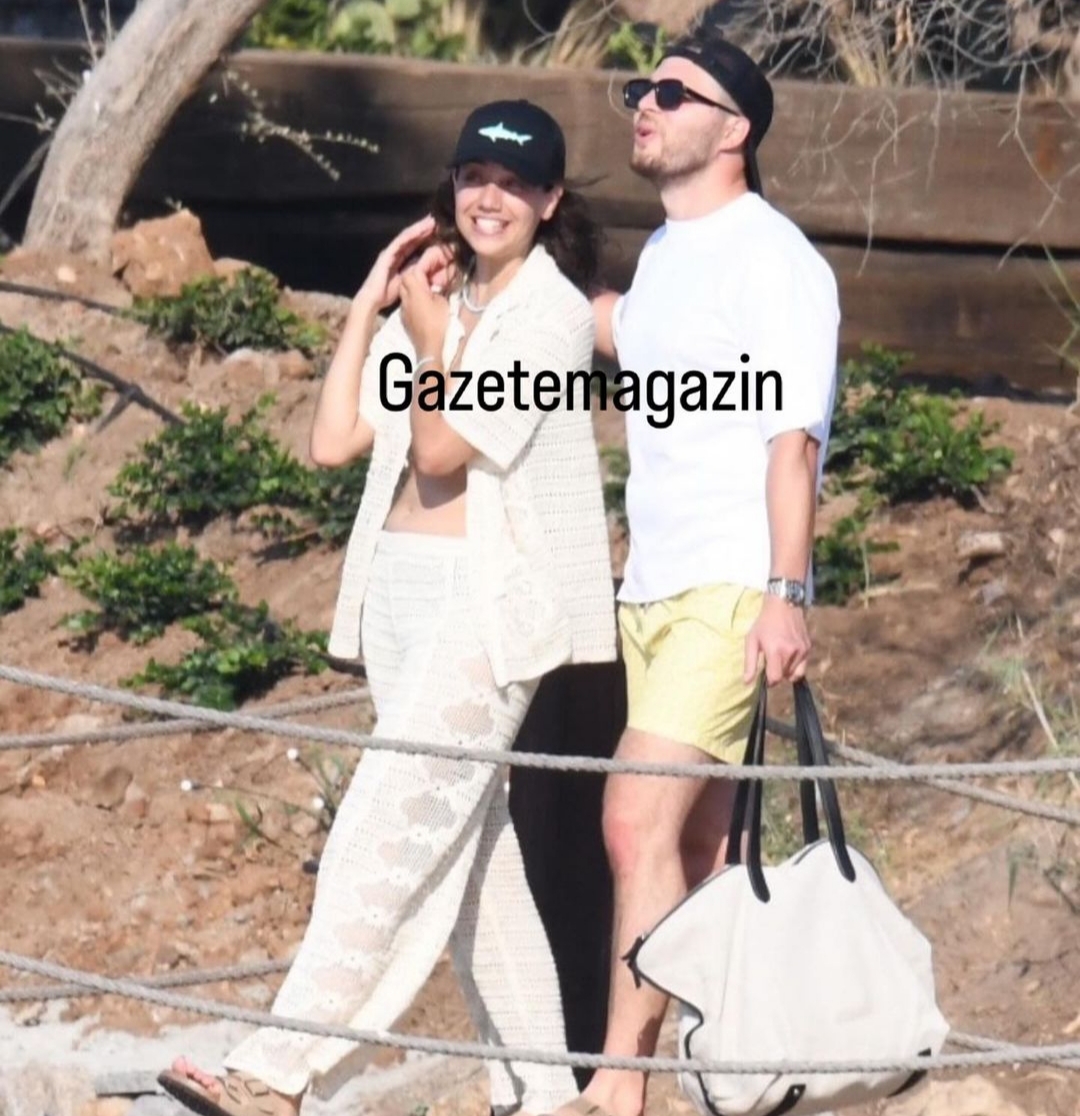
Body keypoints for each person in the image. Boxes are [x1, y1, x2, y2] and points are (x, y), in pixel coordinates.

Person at [159, 98, 617, 1116]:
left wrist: (431, 336)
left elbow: (445, 449)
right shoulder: (431, 301)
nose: (490, 198)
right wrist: (370, 303)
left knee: (378, 827)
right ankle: (547, 1098)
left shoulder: (549, 315)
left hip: (487, 608)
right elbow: (333, 441)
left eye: (514, 184)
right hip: (403, 598)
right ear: (452, 187)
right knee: (480, 872)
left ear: (549, 201)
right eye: (474, 177)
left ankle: (278, 1074)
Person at [552, 21, 841, 1116]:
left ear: (734, 132)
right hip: (653, 591)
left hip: (729, 587)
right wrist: (491, 267)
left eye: (673, 95)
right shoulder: (672, 256)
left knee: (634, 821)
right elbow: (620, 331)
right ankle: (742, 1077)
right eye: (644, 88)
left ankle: (617, 1088)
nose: (647, 104)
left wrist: (785, 593)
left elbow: (791, 444)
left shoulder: (778, 261)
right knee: (708, 848)